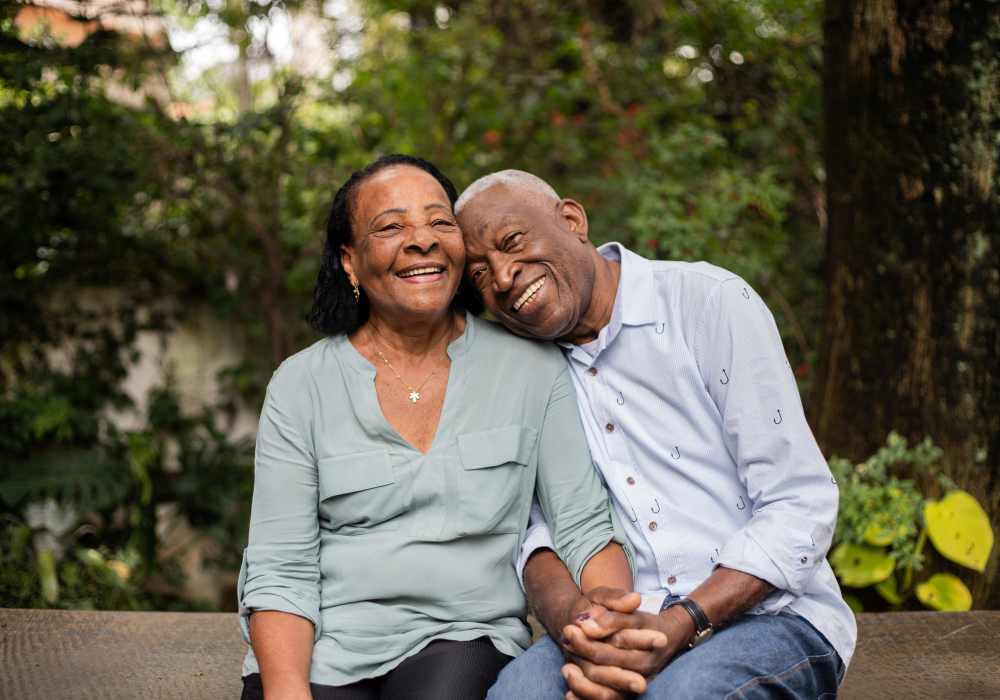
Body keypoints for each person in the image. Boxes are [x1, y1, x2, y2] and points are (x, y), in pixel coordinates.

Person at [236, 156, 632, 700]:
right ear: (350, 262)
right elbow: (281, 567)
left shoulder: (530, 368)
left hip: (464, 635)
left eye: (440, 222)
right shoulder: (300, 384)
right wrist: (287, 690)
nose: (422, 240)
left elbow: (582, 526)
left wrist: (611, 633)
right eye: (391, 227)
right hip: (325, 645)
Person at [454, 170, 858, 700]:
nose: (504, 277)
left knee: (685, 694)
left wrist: (682, 621)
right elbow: (537, 534)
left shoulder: (706, 303)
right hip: (622, 619)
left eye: (512, 242)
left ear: (571, 220)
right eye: (480, 273)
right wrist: (581, 627)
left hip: (772, 616)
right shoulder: (526, 370)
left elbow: (800, 504)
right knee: (519, 695)